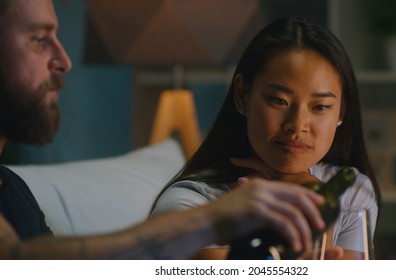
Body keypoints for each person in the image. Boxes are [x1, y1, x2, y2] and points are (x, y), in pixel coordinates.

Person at [0, 0, 329, 259]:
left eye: (321, 106)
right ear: (243, 95)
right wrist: (211, 219)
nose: (63, 59)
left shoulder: (14, 194)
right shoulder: (192, 201)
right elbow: (15, 261)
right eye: (39, 39)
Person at [150, 17, 381, 260]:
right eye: (279, 101)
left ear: (341, 113)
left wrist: (314, 198)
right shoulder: (186, 206)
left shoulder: (352, 190)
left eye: (321, 106)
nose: (297, 125)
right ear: (242, 96)